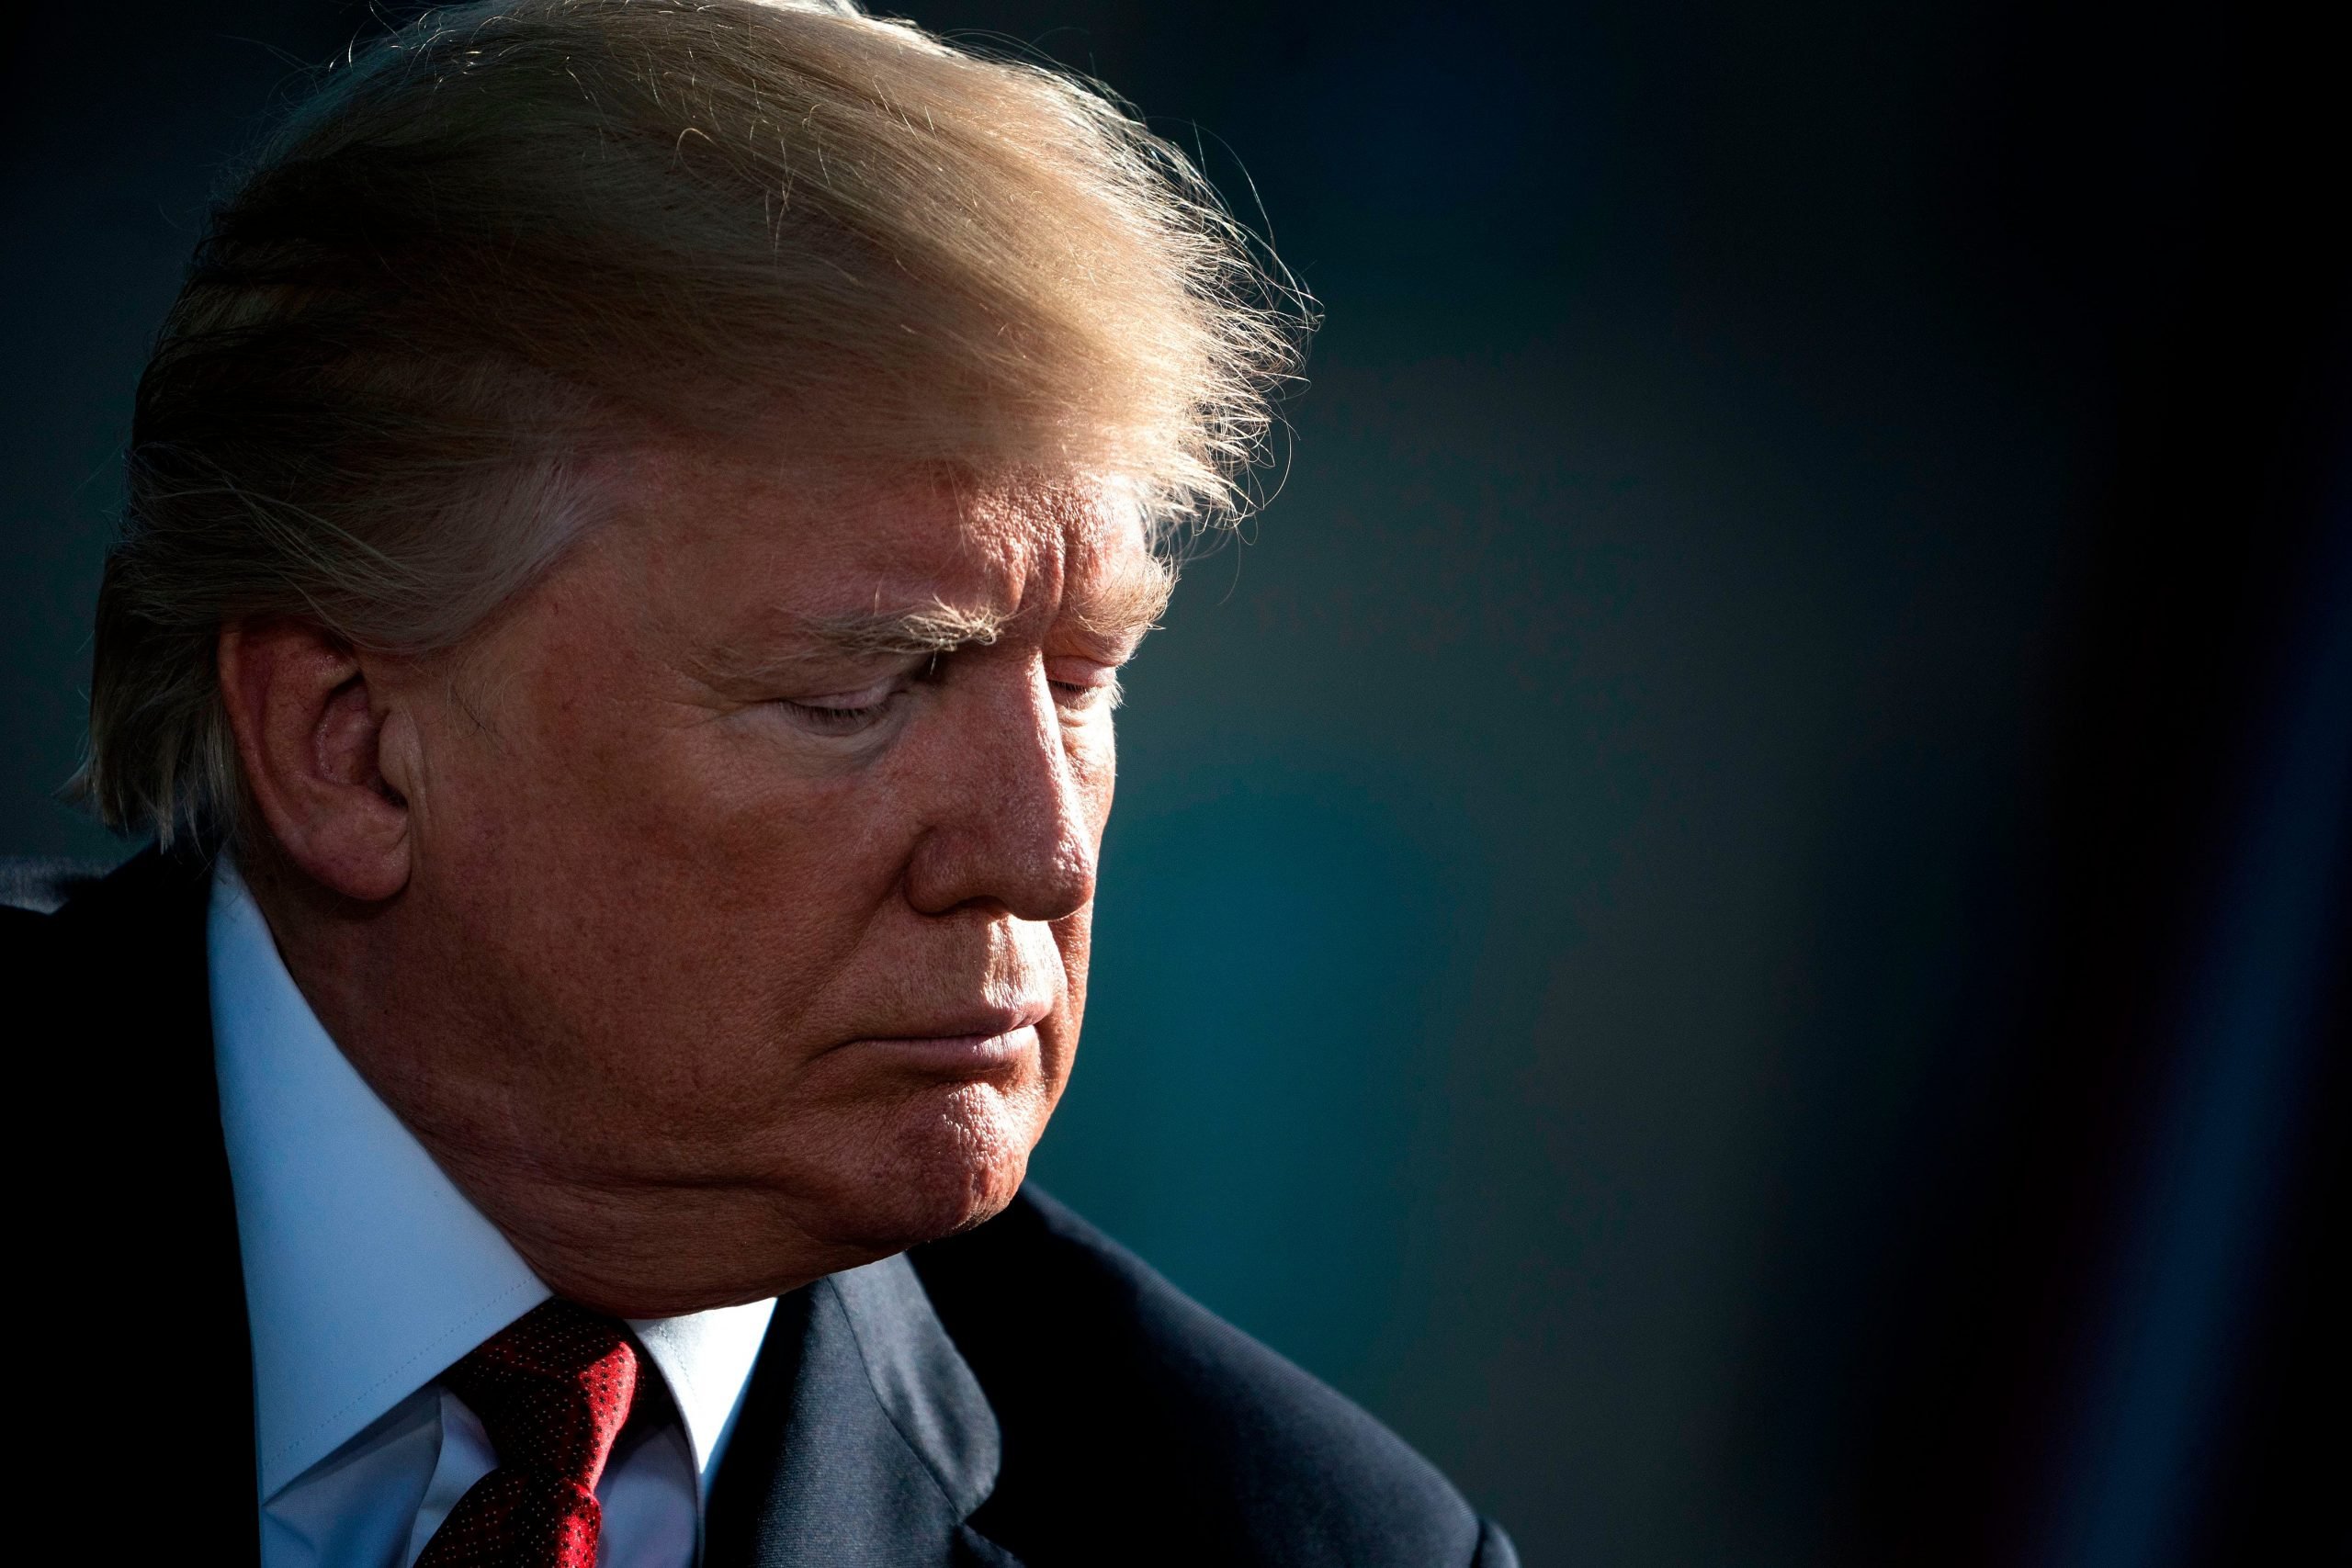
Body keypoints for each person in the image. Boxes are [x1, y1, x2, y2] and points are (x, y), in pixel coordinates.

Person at [2, 2, 1517, 1563]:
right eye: (859, 692)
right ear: (351, 747)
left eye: (1082, 679)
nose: (1041, 849)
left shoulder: (1299, 1538)